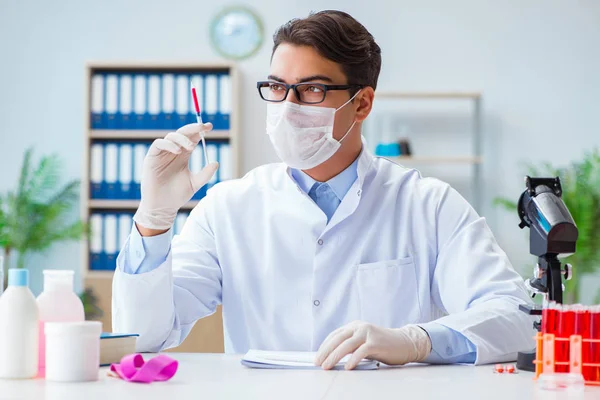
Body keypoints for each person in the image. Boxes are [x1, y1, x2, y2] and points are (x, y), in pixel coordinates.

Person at [112, 10, 534, 370]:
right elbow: (144, 337)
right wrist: (153, 221)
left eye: (312, 89)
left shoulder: (427, 204)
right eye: (277, 87)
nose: (287, 107)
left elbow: (516, 316)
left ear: (362, 103)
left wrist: (416, 340)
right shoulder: (227, 208)